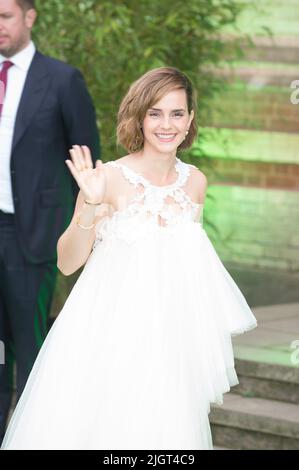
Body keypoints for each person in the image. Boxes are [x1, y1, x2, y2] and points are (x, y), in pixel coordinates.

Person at [1, 66, 257, 450]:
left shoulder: (196, 182)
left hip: (169, 344)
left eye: (176, 113)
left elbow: (194, 269)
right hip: (107, 340)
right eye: (155, 113)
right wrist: (89, 201)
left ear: (190, 120)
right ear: (139, 118)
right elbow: (67, 262)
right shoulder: (108, 179)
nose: (166, 124)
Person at [0, 0, 100, 443]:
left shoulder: (62, 80)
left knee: (31, 349)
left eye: (4, 16)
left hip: (32, 238)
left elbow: (87, 165)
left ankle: (41, 438)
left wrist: (76, 231)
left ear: (29, 17)